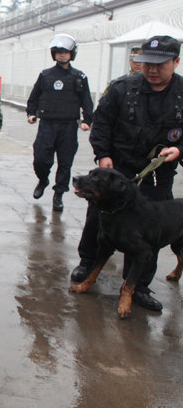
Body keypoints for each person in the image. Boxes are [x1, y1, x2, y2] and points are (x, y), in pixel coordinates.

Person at [70, 35, 183, 312]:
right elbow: (102, 125)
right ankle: (88, 263)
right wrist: (103, 154)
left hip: (157, 174)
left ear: (176, 62)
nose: (152, 70)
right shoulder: (122, 88)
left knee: (150, 233)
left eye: (160, 64)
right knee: (99, 220)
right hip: (117, 170)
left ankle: (139, 286)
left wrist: (178, 150)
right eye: (147, 64)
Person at [26, 33, 93, 212]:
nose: (62, 55)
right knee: (40, 158)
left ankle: (59, 194)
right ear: (53, 54)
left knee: (65, 162)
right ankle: (43, 179)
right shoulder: (45, 75)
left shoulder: (79, 77)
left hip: (68, 126)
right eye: (58, 52)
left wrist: (87, 119)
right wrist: (31, 113)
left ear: (72, 54)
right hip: (47, 124)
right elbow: (34, 96)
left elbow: (86, 100)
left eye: (65, 52)